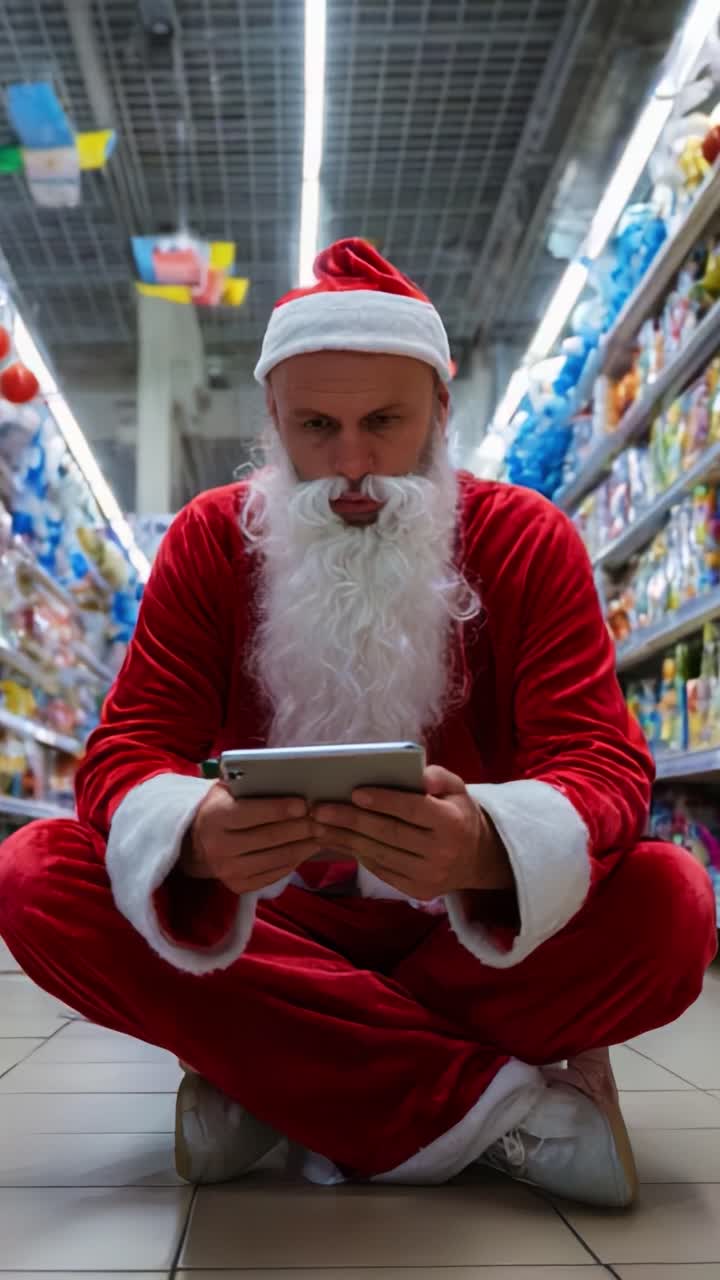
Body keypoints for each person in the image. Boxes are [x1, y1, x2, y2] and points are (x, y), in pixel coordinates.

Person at [0, 239, 715, 1205]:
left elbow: (602, 762)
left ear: (441, 413)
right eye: (316, 426)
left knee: (672, 905)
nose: (351, 465)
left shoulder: (527, 540)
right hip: (278, 925)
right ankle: (491, 1108)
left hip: (467, 934)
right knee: (36, 878)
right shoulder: (211, 542)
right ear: (273, 420)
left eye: (385, 422)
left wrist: (488, 849)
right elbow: (124, 754)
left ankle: (278, 1076)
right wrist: (199, 836)